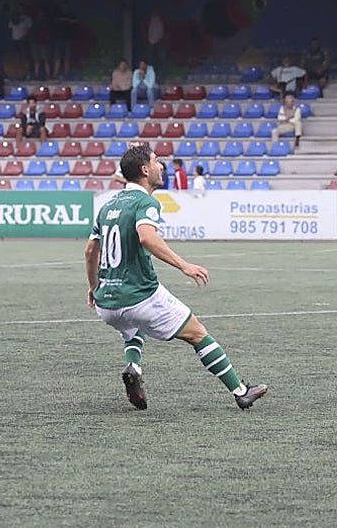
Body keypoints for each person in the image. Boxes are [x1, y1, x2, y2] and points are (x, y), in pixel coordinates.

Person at [84, 144, 267, 411]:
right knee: (198, 334)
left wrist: (93, 286)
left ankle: (133, 366)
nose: (161, 167)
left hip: (107, 304)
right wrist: (184, 265)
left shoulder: (107, 205)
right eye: (157, 161)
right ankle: (240, 391)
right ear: (145, 170)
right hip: (140, 297)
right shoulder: (146, 202)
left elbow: (90, 250)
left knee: (132, 327)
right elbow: (147, 236)